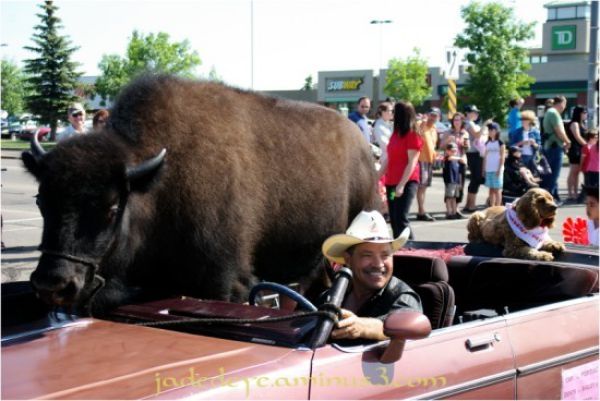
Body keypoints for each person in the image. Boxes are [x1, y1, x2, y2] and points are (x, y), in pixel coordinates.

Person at [321, 210, 422, 341]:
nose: (378, 264)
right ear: (348, 259)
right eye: (367, 255)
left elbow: (405, 324)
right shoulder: (334, 294)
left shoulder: (404, 297)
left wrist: (361, 327)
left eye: (385, 255)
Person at [380, 101, 422, 239]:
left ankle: (412, 249)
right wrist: (375, 177)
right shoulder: (396, 133)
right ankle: (399, 250)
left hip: (406, 183)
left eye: (394, 112)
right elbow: (389, 159)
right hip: (391, 184)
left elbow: (412, 162)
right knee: (394, 218)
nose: (391, 114)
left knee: (401, 218)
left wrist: (402, 185)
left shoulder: (412, 134)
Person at [541, 95, 571, 202]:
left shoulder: (549, 112)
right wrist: (567, 141)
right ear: (561, 103)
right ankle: (549, 199)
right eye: (565, 104)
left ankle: (551, 196)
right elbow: (559, 130)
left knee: (550, 174)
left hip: (550, 146)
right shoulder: (554, 113)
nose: (565, 106)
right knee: (554, 175)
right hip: (554, 147)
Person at [416, 108, 440, 222]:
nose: (433, 117)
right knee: (421, 187)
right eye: (431, 115)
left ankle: (422, 210)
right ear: (427, 115)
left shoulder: (434, 129)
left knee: (424, 187)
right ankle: (421, 211)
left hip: (429, 161)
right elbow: (415, 135)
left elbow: (433, 145)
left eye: (435, 116)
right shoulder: (420, 124)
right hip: (420, 159)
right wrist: (422, 122)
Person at [462, 105, 487, 212]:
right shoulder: (468, 123)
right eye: (474, 112)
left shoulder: (472, 123)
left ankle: (469, 203)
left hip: (477, 153)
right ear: (467, 113)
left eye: (477, 112)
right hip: (473, 154)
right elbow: (477, 135)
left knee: (475, 179)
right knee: (476, 178)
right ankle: (470, 204)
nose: (476, 114)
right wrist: (485, 125)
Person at [441, 112, 469, 203]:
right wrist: (448, 140)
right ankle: (449, 210)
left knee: (460, 186)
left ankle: (456, 209)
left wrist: (466, 146)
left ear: (462, 121)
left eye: (458, 120)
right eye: (455, 120)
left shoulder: (465, 133)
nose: (456, 122)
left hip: (461, 162)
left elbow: (467, 148)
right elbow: (441, 146)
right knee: (450, 186)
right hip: (450, 162)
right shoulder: (447, 132)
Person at [565, 106, 588, 203]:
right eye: (584, 112)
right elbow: (577, 137)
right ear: (579, 113)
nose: (585, 114)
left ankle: (575, 192)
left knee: (577, 172)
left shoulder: (582, 124)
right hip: (575, 149)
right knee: (573, 171)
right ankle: (571, 193)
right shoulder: (574, 124)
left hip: (580, 149)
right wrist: (588, 146)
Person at [509, 110, 541, 176]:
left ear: (530, 121)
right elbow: (511, 146)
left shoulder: (536, 132)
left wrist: (534, 144)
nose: (522, 121)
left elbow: (540, 147)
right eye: (522, 120)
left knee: (533, 175)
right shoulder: (516, 132)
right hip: (520, 157)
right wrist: (521, 143)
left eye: (525, 120)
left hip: (532, 158)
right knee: (522, 177)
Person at [482, 122, 505, 207]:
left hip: (497, 169)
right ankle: (492, 206)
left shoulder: (500, 143)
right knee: (491, 189)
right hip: (489, 169)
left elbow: (502, 157)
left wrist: (499, 169)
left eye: (492, 130)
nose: (490, 132)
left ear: (497, 131)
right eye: (489, 130)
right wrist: (483, 169)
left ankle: (498, 206)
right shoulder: (487, 143)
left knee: (497, 189)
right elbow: (485, 157)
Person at [443, 142, 466, 219]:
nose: (454, 152)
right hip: (449, 181)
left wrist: (459, 183)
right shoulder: (447, 158)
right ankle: (449, 212)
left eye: (455, 151)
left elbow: (459, 172)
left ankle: (454, 212)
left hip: (455, 182)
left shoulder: (456, 161)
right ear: (447, 151)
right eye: (452, 150)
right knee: (449, 197)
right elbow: (450, 158)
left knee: (454, 198)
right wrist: (460, 158)